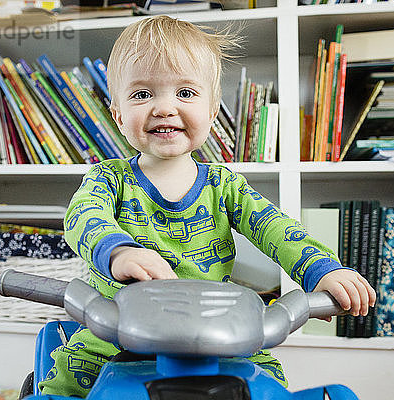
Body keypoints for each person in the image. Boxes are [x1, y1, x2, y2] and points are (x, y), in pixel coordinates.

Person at [39, 15, 376, 397]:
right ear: (118, 115)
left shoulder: (225, 185)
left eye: (185, 93)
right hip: (118, 327)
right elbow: (84, 217)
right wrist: (118, 252)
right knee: (67, 380)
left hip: (219, 332)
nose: (164, 108)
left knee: (269, 382)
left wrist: (321, 270)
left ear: (213, 112)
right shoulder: (107, 178)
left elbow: (277, 229)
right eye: (142, 94)